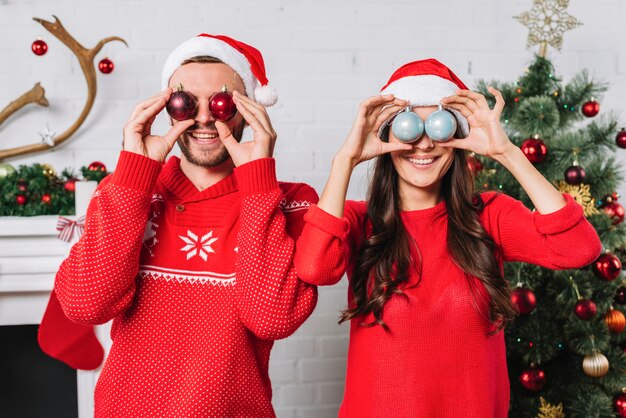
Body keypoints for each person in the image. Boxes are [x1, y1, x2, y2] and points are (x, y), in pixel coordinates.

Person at [294, 59, 601, 417]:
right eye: (409, 128)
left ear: (456, 138)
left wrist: (508, 153)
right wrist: (345, 160)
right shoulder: (358, 220)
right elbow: (314, 267)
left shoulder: (490, 215)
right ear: (386, 134)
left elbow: (579, 249)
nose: (423, 146)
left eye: (437, 128)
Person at [46, 34, 318, 417]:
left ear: (250, 109)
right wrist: (134, 174)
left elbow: (271, 317)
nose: (204, 118)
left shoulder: (287, 202)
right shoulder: (127, 189)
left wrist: (257, 181)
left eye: (223, 103)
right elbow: (85, 303)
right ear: (166, 108)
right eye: (185, 102)